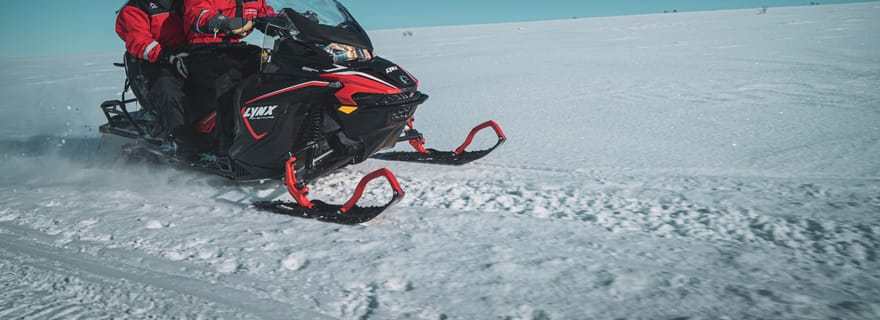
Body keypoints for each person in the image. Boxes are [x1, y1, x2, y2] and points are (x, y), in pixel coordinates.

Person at [182, 0, 275, 150]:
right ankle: (227, 145)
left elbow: (265, 14)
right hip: (202, 49)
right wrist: (222, 23)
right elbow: (197, 14)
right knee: (230, 76)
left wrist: (287, 20)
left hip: (233, 48)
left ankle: (271, 134)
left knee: (271, 65)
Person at [116, 0, 202, 152]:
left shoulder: (183, 3)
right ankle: (181, 141)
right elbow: (138, 41)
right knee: (167, 88)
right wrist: (167, 56)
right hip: (150, 63)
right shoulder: (135, 8)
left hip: (186, 55)